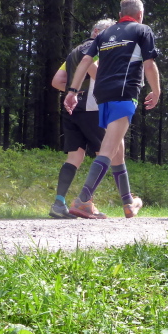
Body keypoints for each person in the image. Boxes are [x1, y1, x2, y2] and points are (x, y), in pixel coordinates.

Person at [64, 0, 161, 219]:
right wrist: (156, 91)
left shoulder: (105, 34)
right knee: (108, 149)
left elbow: (85, 62)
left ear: (120, 15)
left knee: (117, 149)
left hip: (102, 95)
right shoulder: (142, 30)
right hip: (124, 92)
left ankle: (128, 202)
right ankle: (83, 200)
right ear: (140, 14)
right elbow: (149, 64)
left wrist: (72, 91)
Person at [49, 19, 114, 219]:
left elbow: (57, 81)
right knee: (105, 153)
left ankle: (59, 203)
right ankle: (84, 202)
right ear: (96, 32)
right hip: (91, 108)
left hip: (72, 108)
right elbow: (94, 69)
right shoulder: (94, 48)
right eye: (109, 34)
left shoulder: (74, 52)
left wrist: (74, 91)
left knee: (75, 156)